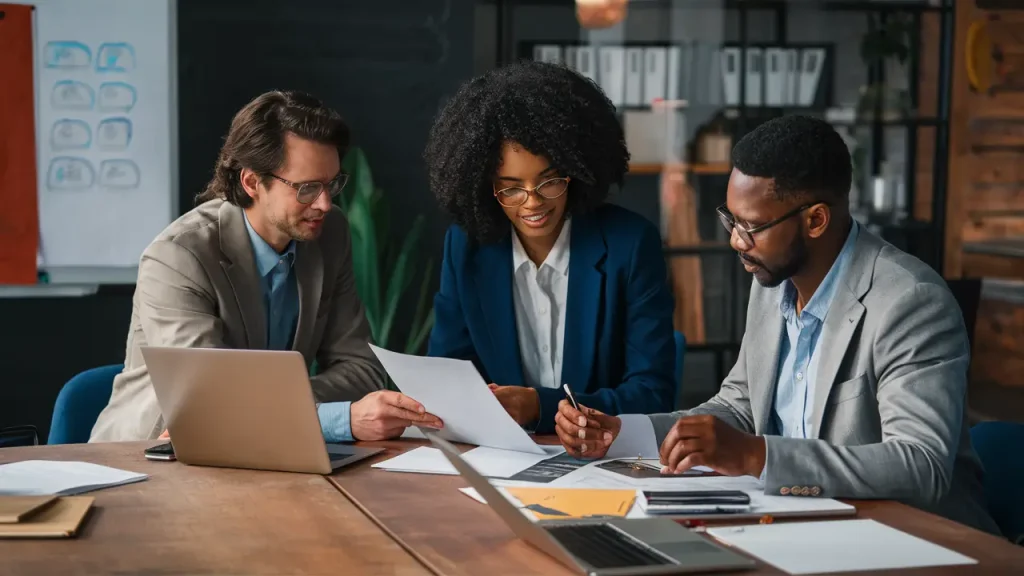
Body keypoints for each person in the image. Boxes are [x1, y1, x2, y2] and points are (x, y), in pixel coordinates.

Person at [553, 114, 1000, 535]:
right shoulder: (772, 280)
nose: (735, 241)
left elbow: (921, 466)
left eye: (751, 226)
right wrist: (623, 432)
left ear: (816, 219)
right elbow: (740, 407)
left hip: (917, 539)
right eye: (730, 219)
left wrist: (756, 454)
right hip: (802, 524)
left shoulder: (909, 302)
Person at [90, 90, 442, 443]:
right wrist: (336, 419)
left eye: (332, 183)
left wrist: (260, 410)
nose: (324, 203)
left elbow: (362, 370)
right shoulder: (178, 257)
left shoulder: (330, 234)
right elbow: (205, 403)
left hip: (269, 451)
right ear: (252, 182)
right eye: (306, 188)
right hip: (155, 458)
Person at [423, 60, 676, 435]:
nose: (532, 203)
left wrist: (539, 405)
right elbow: (448, 375)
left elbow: (653, 394)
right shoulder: (466, 248)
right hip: (498, 458)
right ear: (482, 187)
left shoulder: (630, 244)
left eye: (549, 181)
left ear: (575, 171)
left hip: (602, 461)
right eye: (510, 187)